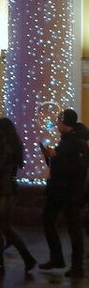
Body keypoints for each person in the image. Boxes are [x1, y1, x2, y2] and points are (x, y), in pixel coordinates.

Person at [0, 117, 37, 276]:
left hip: (0, 190)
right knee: (3, 227)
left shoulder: (2, 147)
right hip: (6, 189)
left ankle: (8, 261)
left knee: (0, 227)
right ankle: (18, 259)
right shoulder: (11, 145)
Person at [40, 109, 89, 277]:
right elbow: (60, 165)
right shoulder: (66, 141)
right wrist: (50, 156)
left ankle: (77, 266)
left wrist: (56, 156)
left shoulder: (78, 143)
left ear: (66, 123)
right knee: (47, 219)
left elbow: (76, 168)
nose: (57, 125)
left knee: (74, 229)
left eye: (59, 122)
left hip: (70, 191)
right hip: (58, 189)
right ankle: (57, 257)